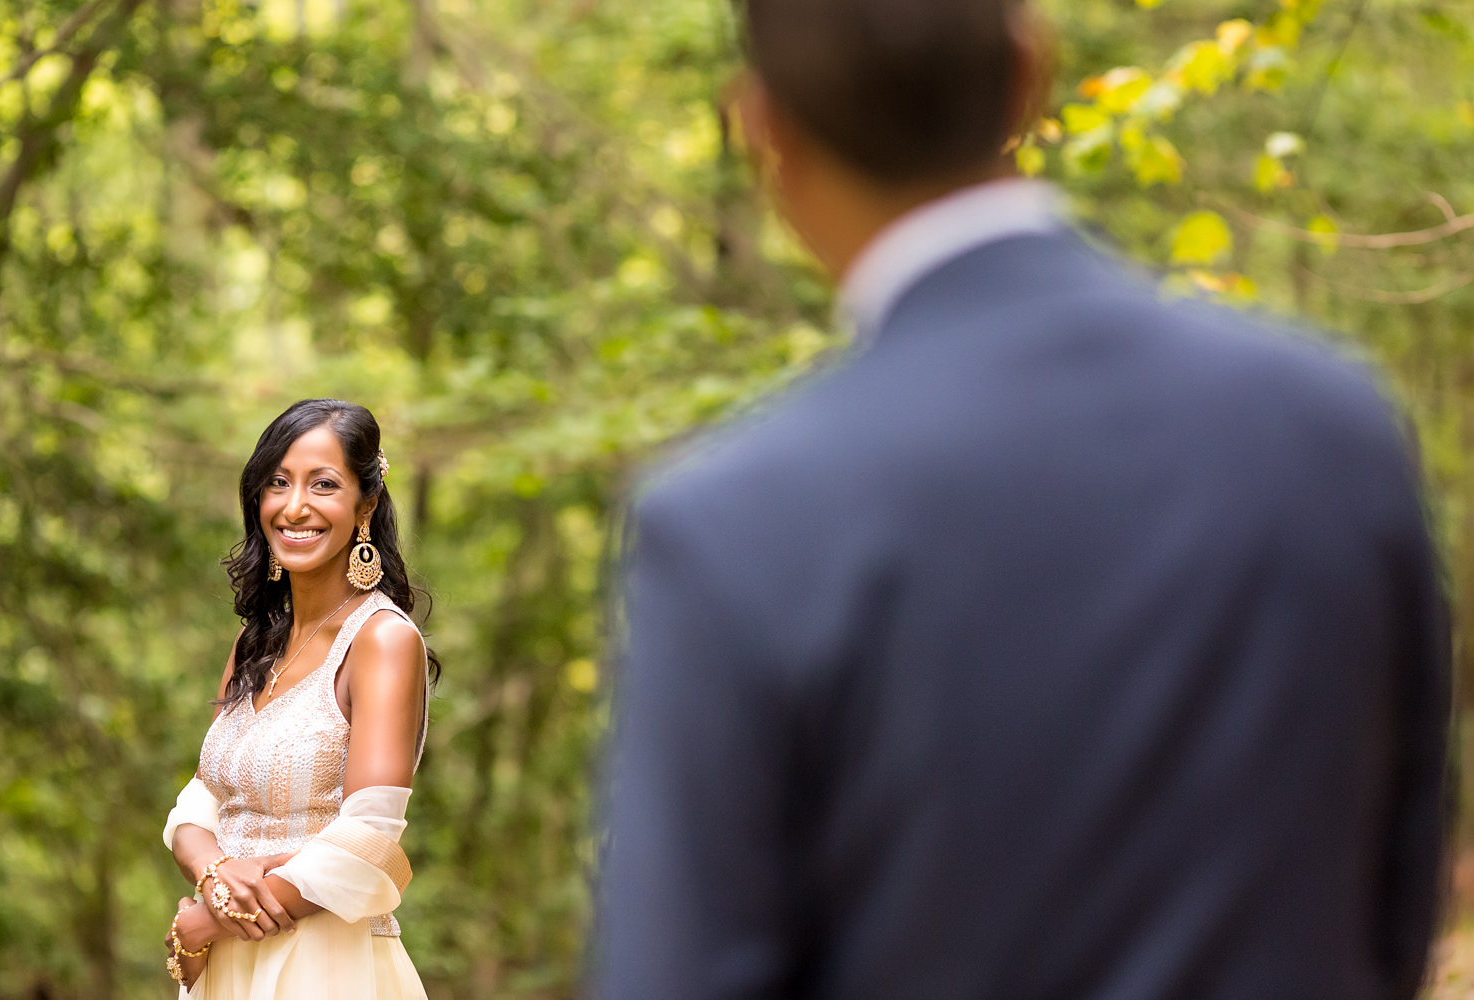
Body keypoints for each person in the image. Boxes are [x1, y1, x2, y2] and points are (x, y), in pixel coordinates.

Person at [595, 1, 1451, 998]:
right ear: (1030, 75)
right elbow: (1397, 892)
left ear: (763, 128)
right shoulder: (1329, 423)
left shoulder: (735, 520)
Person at [161, 399, 439, 998]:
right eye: (277, 483)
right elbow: (199, 800)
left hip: (324, 963)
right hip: (228, 965)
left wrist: (213, 918)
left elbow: (367, 840)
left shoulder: (383, 640)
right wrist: (215, 876)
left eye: (324, 485)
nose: (294, 507)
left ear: (365, 505)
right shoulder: (255, 640)